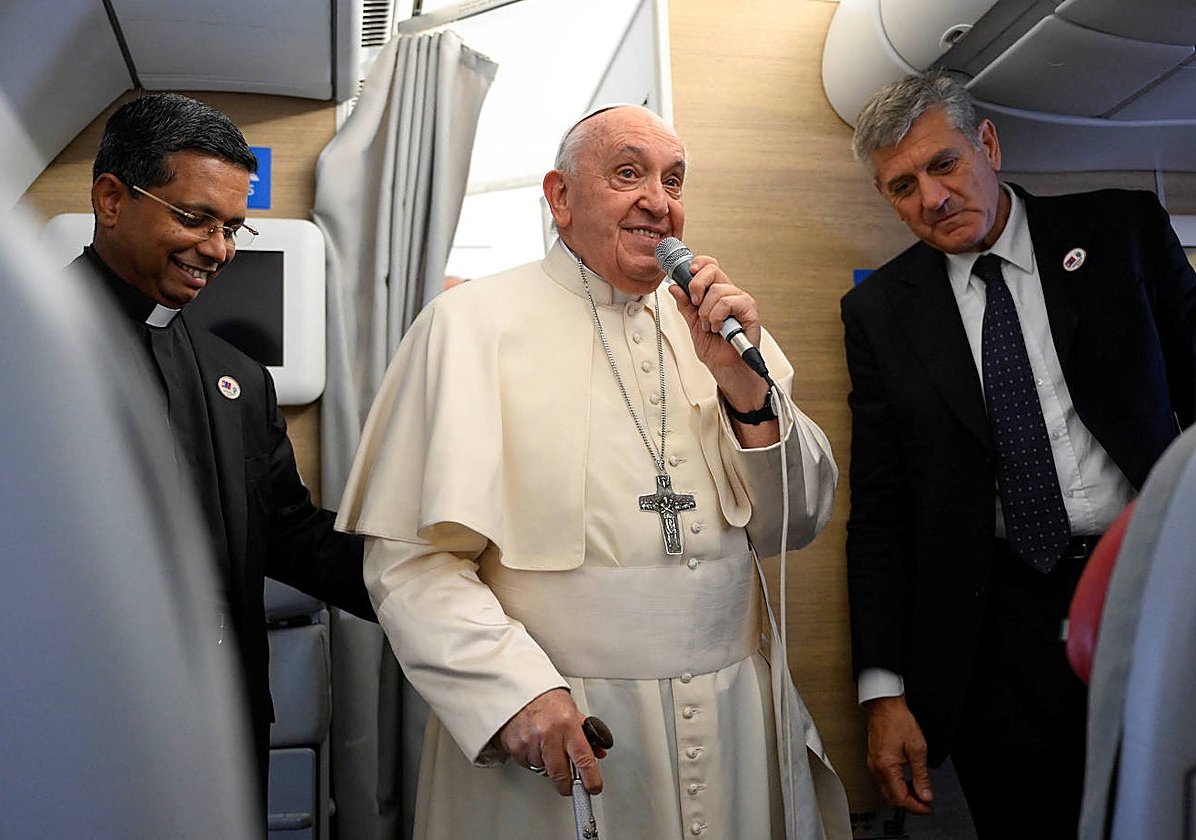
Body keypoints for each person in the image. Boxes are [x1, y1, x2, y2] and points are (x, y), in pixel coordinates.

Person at [336, 104, 851, 839]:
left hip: (736, 716)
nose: (658, 199)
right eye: (628, 173)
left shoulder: (720, 328)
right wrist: (517, 693)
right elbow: (411, 563)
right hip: (569, 720)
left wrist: (745, 391)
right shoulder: (469, 326)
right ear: (560, 197)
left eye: (673, 180)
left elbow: (794, 524)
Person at [840, 71, 1196, 839]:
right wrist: (882, 691)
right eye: (903, 186)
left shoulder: (1121, 233)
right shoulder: (879, 313)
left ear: (989, 144)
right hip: (995, 630)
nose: (932, 199)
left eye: (943, 165)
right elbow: (881, 511)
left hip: (1149, 584)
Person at [75, 92, 377, 812]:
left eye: (232, 227)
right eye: (194, 218)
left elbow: (290, 535)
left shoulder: (236, 376)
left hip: (225, 732)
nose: (218, 249)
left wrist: (430, 571)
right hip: (78, 729)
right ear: (112, 200)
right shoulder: (24, 356)